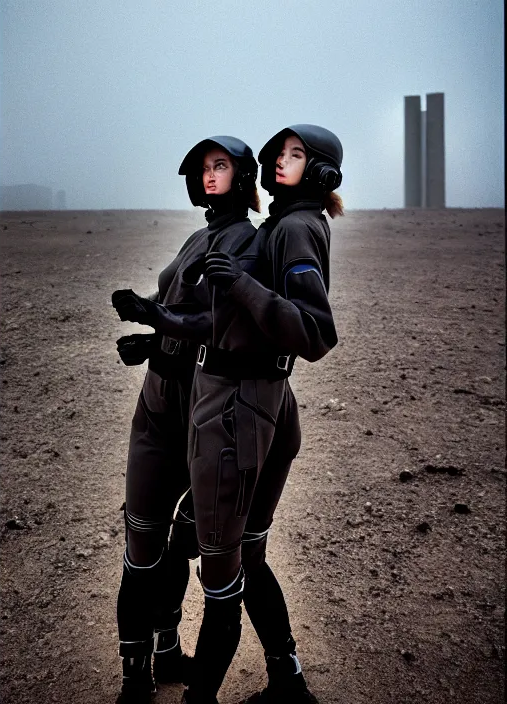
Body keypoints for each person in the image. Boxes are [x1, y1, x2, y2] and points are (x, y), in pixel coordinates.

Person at [174, 124, 343, 704]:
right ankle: (288, 679)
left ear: (321, 174)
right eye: (279, 153)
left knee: (224, 564)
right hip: (271, 401)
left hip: (246, 407)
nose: (281, 161)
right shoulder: (286, 223)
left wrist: (244, 287)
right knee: (250, 548)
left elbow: (316, 333)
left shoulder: (295, 227)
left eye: (297, 156)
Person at [111, 135, 260, 704]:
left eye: (220, 166)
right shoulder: (199, 234)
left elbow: (216, 323)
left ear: (242, 175)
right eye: (203, 169)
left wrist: (155, 317)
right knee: (143, 540)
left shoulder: (246, 242)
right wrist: (150, 341)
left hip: (205, 409)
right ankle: (137, 677)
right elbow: (179, 308)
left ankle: (170, 651)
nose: (209, 176)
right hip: (158, 404)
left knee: (185, 544)